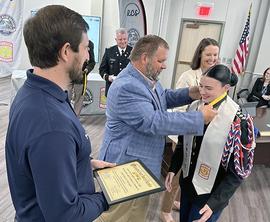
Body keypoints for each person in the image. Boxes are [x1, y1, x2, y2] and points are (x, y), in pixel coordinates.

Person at [5, 5, 115, 222]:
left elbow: (40, 163)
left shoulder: (31, 93)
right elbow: (66, 215)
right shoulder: (52, 124)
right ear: (66, 52)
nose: (87, 56)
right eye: (85, 48)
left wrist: (83, 162)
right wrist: (107, 197)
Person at [98, 35, 217, 222]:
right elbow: (153, 121)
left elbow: (163, 98)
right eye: (161, 61)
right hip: (126, 167)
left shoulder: (144, 78)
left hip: (137, 165)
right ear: (145, 58)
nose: (164, 65)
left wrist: (190, 93)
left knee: (134, 214)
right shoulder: (127, 86)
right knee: (121, 217)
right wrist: (199, 118)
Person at [165, 64, 256, 222]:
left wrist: (215, 203)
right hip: (187, 185)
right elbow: (182, 143)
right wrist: (173, 168)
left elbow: (238, 173)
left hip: (210, 194)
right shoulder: (194, 107)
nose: (202, 92)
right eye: (200, 86)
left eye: (208, 88)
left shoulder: (238, 120)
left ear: (225, 87)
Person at [160, 38, 220, 222]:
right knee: (176, 177)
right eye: (208, 54)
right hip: (184, 136)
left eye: (215, 55)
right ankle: (165, 210)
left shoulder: (217, 78)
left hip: (205, 139)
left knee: (190, 176)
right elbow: (176, 109)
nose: (212, 58)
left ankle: (178, 202)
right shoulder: (187, 76)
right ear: (200, 54)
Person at [99, 28, 132, 96]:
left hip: (128, 91)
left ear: (127, 39)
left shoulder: (133, 52)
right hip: (112, 89)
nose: (123, 41)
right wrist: (108, 77)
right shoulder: (109, 51)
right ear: (116, 40)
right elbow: (102, 69)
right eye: (120, 39)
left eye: (125, 39)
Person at [70, 40, 96, 116]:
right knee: (65, 98)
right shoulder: (67, 39)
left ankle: (75, 120)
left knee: (79, 100)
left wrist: (86, 70)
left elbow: (92, 62)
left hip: (81, 77)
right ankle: (66, 119)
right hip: (67, 76)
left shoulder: (90, 43)